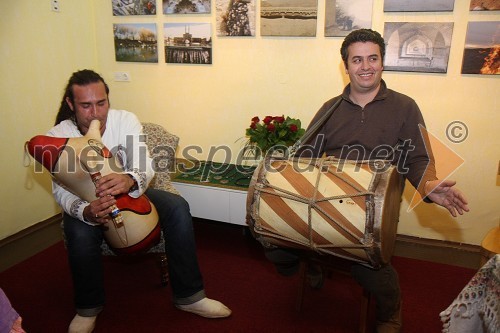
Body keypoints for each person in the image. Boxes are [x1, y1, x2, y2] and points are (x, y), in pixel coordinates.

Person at [265, 29, 469, 333]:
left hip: (373, 210)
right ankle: (313, 261)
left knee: (370, 272)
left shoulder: (404, 107)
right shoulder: (330, 108)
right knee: (272, 243)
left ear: (382, 62)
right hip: (324, 203)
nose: (365, 66)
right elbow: (304, 158)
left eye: (372, 58)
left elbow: (419, 159)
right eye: (357, 60)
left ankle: (389, 311)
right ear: (345, 66)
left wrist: (428, 185)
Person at [47, 69, 231, 333]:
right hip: (87, 202)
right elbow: (60, 190)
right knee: (79, 232)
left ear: (108, 99)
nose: (95, 113)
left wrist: (130, 179)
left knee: (177, 207)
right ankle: (88, 308)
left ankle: (190, 297)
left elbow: (144, 163)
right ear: (70, 105)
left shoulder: (125, 120)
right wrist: (86, 211)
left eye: (101, 103)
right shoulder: (57, 136)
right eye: (86, 106)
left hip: (129, 193)